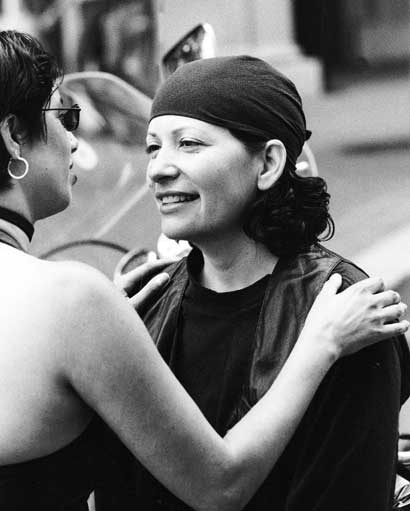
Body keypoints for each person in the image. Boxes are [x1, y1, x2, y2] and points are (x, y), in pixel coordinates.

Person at [0, 31, 406, 511]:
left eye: (188, 144)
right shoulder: (124, 310)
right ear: (12, 135)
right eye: (152, 148)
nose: (157, 170)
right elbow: (210, 483)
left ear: (270, 162)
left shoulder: (344, 307)